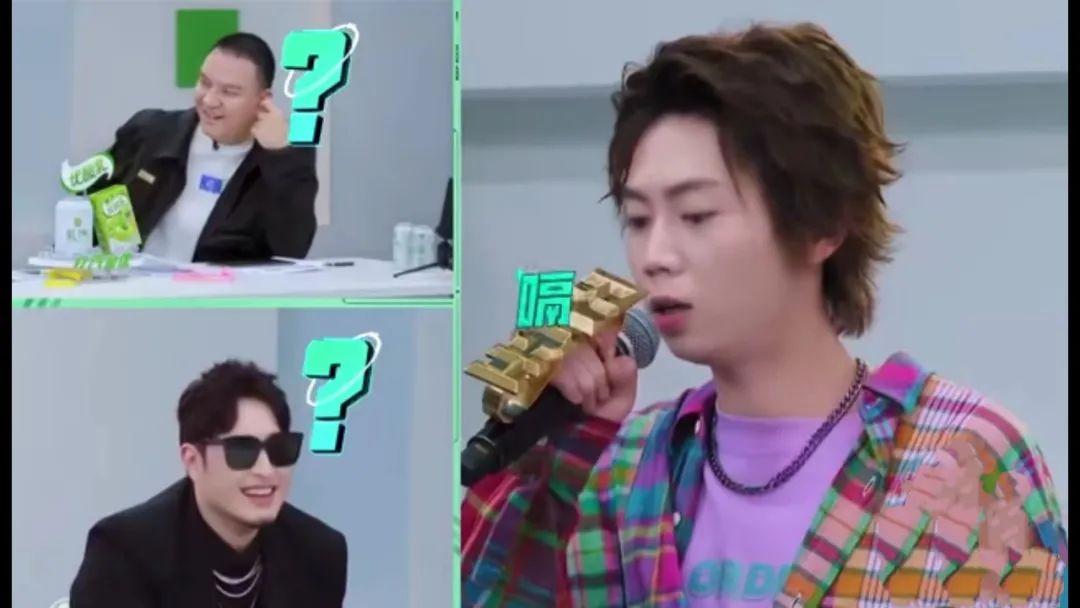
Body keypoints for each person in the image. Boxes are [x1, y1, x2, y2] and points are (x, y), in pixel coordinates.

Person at [460, 23, 1068, 607]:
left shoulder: (962, 455)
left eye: (696, 215)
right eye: (638, 220)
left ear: (823, 225)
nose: (655, 255)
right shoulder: (629, 467)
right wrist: (558, 441)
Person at [70, 360, 347, 607]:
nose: (266, 470)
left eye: (279, 448)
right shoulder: (125, 554)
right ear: (192, 460)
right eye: (242, 451)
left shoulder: (317, 554)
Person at [98, 32, 317, 263]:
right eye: (205, 83)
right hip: (134, 282)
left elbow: (292, 249)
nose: (209, 100)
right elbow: (94, 205)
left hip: (221, 286)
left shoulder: (285, 159)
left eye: (229, 92)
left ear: (263, 100)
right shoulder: (151, 132)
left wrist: (281, 156)